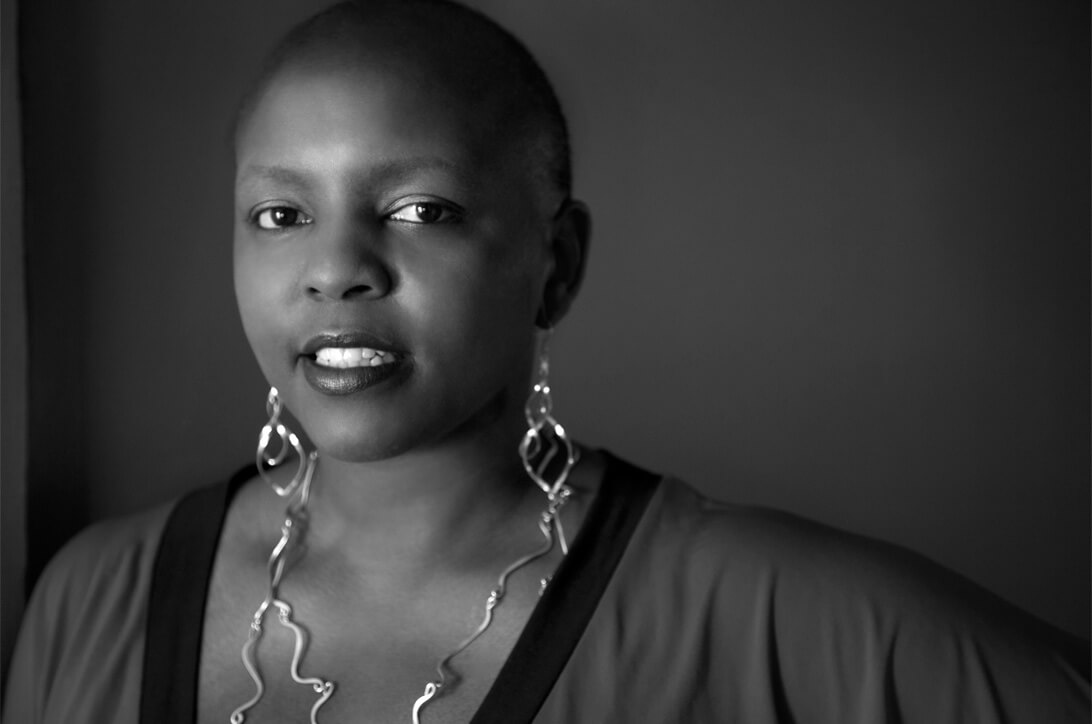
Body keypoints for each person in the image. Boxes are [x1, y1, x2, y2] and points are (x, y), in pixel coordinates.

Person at [3, 1, 1088, 722]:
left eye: (420, 209)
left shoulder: (762, 615)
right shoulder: (95, 598)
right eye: (279, 212)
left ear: (555, 263)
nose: (336, 268)